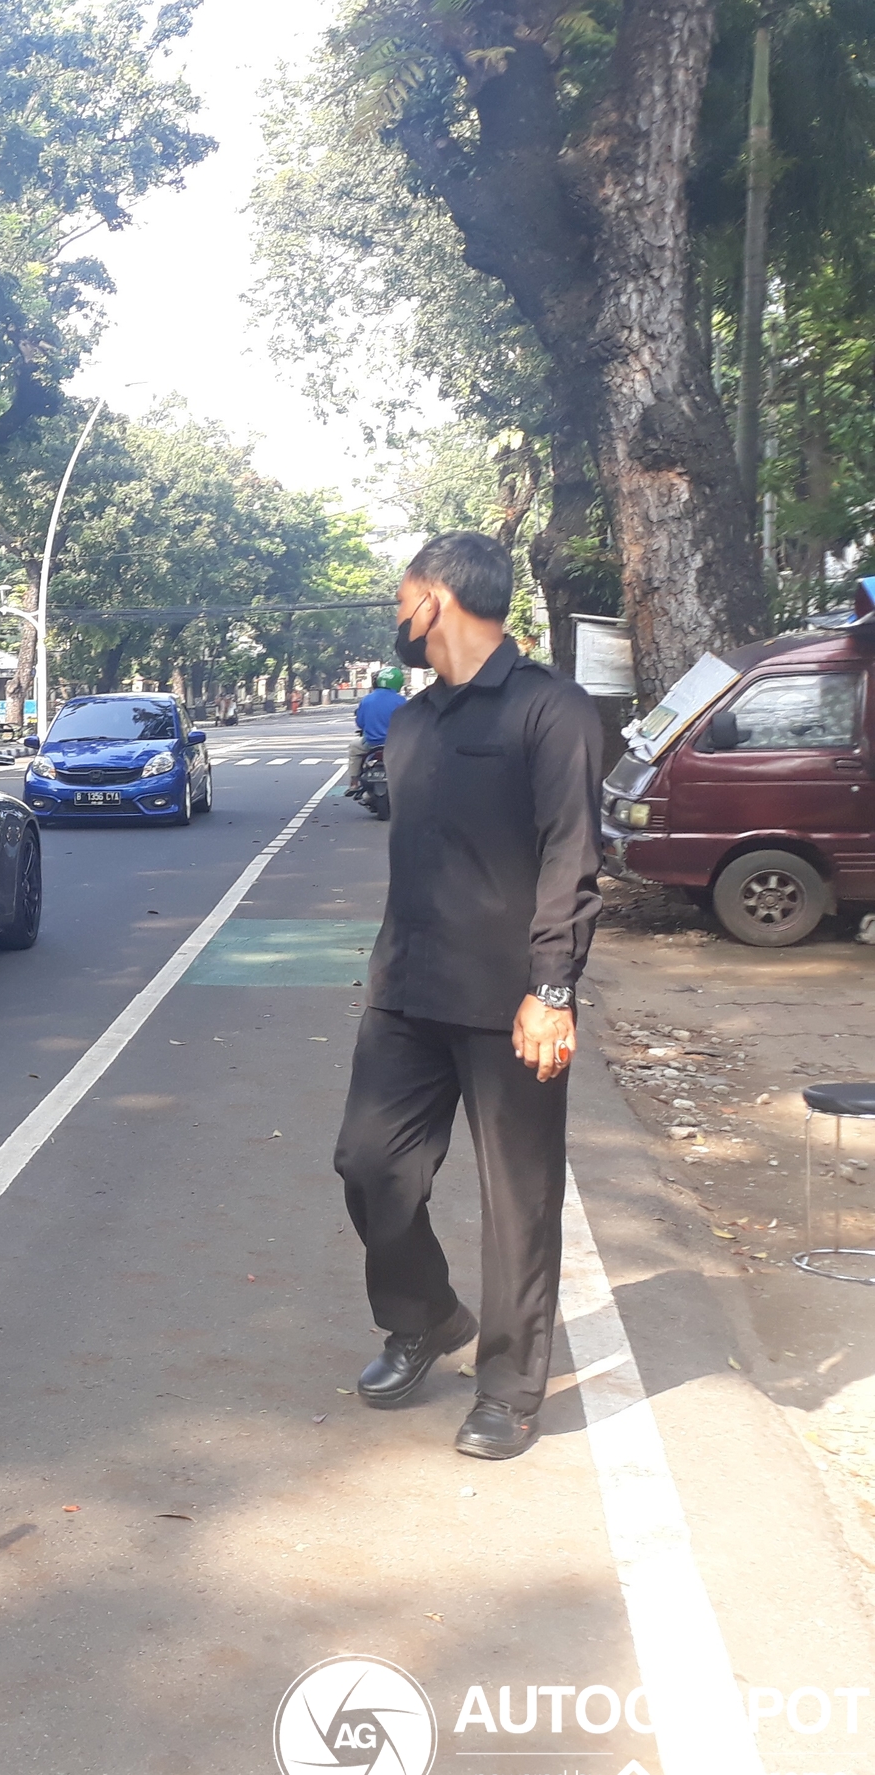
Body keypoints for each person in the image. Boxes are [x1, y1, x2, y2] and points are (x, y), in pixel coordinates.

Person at [331, 530, 602, 1461]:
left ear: (436, 598)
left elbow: (573, 859)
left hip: (511, 1002)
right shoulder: (410, 724)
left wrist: (552, 989)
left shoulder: (551, 712)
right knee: (369, 1166)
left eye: (401, 597)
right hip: (405, 991)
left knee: (517, 1202)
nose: (396, 615)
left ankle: (508, 1387)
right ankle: (425, 1316)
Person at [348, 665, 408, 789]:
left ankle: (354, 782)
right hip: (395, 745)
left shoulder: (367, 699)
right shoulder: (401, 701)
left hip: (371, 744)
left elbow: (360, 723)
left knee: (354, 748)